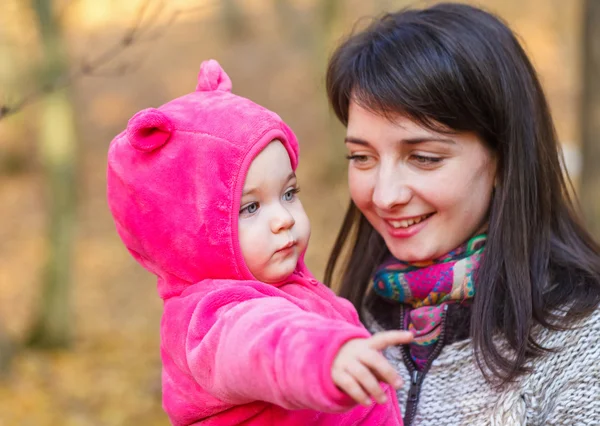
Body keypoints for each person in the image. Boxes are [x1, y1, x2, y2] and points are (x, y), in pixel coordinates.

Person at [323, 3, 600, 425]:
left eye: (425, 158)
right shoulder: (328, 330)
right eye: (361, 157)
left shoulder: (584, 340)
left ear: (504, 158)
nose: (384, 195)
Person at [106, 59, 412, 425]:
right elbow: (261, 342)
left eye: (288, 193)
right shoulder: (210, 317)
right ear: (184, 230)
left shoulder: (280, 287)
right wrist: (324, 357)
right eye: (250, 207)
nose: (283, 219)